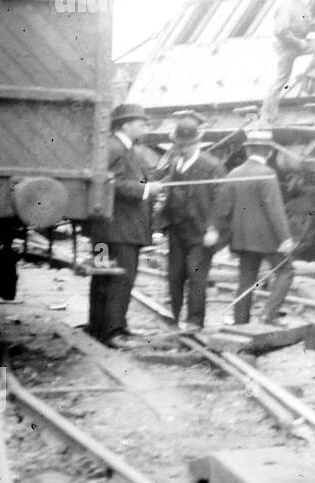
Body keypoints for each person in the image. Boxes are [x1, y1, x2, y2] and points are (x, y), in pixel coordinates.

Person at [205, 130, 295, 325]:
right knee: (286, 270)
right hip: (267, 238)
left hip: (242, 238)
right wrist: (285, 238)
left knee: (246, 279)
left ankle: (240, 320)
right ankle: (269, 314)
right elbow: (275, 210)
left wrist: (215, 230)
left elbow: (223, 207)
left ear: (247, 152)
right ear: (269, 153)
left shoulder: (234, 174)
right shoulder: (267, 174)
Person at [88, 102, 157, 346]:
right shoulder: (118, 148)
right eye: (141, 123)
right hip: (121, 232)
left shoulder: (115, 147)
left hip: (105, 231)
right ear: (125, 124)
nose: (144, 127)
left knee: (102, 277)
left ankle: (99, 327)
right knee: (120, 279)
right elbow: (111, 184)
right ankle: (113, 331)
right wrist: (146, 190)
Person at [155, 113, 225, 330]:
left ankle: (195, 321)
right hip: (177, 230)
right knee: (174, 275)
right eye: (179, 145)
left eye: (187, 145)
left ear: (198, 143)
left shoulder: (212, 167)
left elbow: (221, 201)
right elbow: (171, 195)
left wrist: (213, 228)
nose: (182, 149)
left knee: (196, 277)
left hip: (200, 234)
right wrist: (160, 224)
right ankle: (173, 317)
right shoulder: (176, 164)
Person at [261, 0, 315, 127]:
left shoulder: (302, 6)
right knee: (282, 80)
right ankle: (267, 113)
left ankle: (309, 75)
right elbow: (280, 31)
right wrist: (298, 43)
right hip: (287, 46)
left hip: (301, 42)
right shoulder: (286, 6)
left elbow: (310, 24)